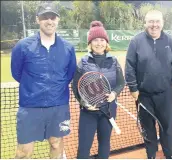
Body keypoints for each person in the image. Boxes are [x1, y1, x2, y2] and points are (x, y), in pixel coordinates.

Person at [11, 2, 76, 159]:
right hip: (30, 107)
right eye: (45, 17)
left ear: (58, 19)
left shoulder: (68, 48)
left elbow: (69, 74)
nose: (49, 21)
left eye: (52, 17)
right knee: (23, 151)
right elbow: (16, 73)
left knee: (56, 145)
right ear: (37, 20)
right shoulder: (22, 46)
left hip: (58, 107)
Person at [125, 10, 172, 159]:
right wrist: (133, 88)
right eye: (151, 21)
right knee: (148, 128)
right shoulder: (136, 41)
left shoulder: (170, 41)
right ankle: (151, 155)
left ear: (162, 23)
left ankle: (169, 155)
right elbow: (129, 66)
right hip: (144, 95)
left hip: (165, 94)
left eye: (157, 22)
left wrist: (171, 81)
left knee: (167, 127)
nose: (154, 25)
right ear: (145, 23)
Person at [72, 21, 125, 159]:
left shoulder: (113, 61)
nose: (99, 43)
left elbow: (121, 82)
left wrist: (114, 94)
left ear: (106, 43)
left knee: (104, 144)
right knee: (84, 147)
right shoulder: (83, 62)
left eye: (102, 40)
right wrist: (84, 103)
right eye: (95, 40)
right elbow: (75, 86)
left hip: (108, 110)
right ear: (90, 43)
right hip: (88, 112)